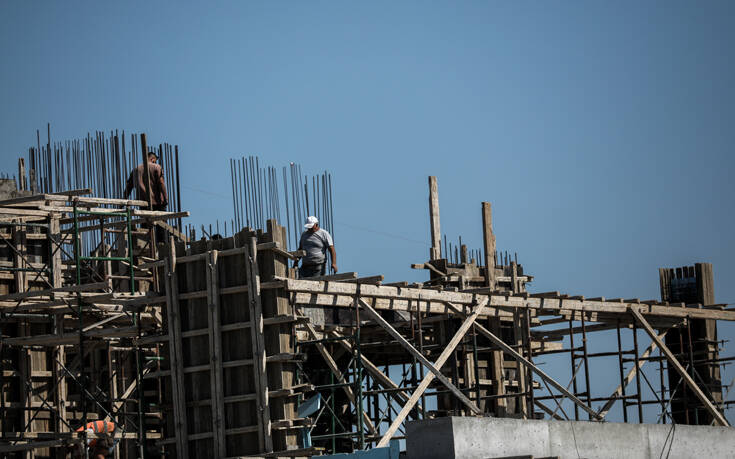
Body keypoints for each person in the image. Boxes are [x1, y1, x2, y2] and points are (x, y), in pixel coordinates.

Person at [124, 152, 169, 241]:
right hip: (157, 201)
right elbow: (161, 183)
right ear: (153, 159)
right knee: (161, 226)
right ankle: (161, 244)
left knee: (145, 225)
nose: (155, 162)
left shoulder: (136, 170)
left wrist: (123, 200)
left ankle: (146, 244)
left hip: (143, 203)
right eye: (155, 161)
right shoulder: (156, 167)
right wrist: (165, 198)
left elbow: (129, 187)